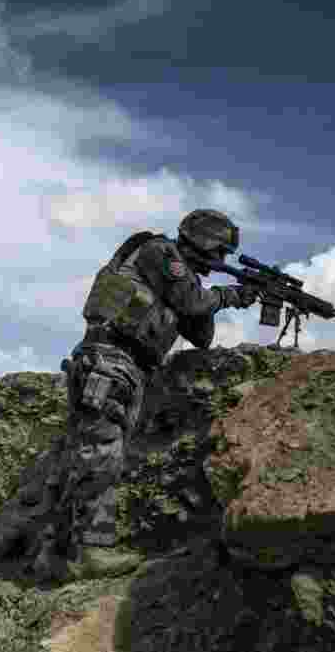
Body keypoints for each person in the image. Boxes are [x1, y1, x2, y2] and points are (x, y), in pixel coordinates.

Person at [35, 209, 259, 580]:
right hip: (111, 360)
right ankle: (88, 550)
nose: (220, 261)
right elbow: (193, 302)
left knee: (87, 454)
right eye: (218, 251)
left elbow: (201, 334)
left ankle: (52, 554)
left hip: (127, 366)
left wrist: (216, 297)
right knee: (100, 454)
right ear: (202, 240)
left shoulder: (178, 280)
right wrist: (230, 295)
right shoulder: (160, 253)